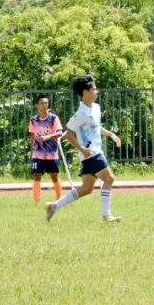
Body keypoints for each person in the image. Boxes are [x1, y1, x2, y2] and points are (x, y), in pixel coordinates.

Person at [45, 75, 123, 223]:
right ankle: (107, 216)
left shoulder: (96, 108)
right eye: (94, 89)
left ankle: (53, 206)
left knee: (86, 189)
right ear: (85, 93)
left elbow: (95, 127)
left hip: (93, 153)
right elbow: (68, 135)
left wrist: (111, 134)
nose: (97, 91)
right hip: (91, 154)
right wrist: (82, 149)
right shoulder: (81, 113)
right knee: (110, 178)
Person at [28, 93, 64, 205]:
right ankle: (36, 202)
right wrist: (32, 151)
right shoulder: (33, 120)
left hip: (51, 153)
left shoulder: (53, 118)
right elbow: (32, 136)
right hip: (37, 154)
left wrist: (47, 137)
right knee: (36, 175)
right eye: (42, 103)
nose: (44, 105)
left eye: (46, 103)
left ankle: (59, 200)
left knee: (54, 175)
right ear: (37, 105)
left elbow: (59, 133)